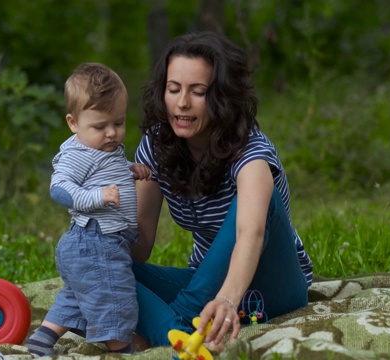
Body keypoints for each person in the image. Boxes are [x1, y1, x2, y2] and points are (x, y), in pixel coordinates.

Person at [131, 31, 313, 349]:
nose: (182, 103)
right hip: (205, 285)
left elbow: (250, 233)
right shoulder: (156, 144)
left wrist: (229, 298)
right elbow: (140, 245)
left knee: (259, 199)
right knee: (97, 266)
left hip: (269, 287)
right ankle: (177, 332)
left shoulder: (251, 152)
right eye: (173, 89)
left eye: (198, 92)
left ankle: (175, 323)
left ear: (222, 97)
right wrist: (99, 218)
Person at [26, 62, 151, 356]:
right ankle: (120, 348)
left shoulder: (101, 149)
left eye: (118, 123)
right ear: (73, 123)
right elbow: (59, 188)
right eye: (100, 126)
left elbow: (106, 171)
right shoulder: (78, 153)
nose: (111, 133)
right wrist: (98, 196)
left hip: (92, 245)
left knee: (79, 295)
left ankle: (43, 337)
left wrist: (130, 170)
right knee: (115, 295)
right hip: (96, 242)